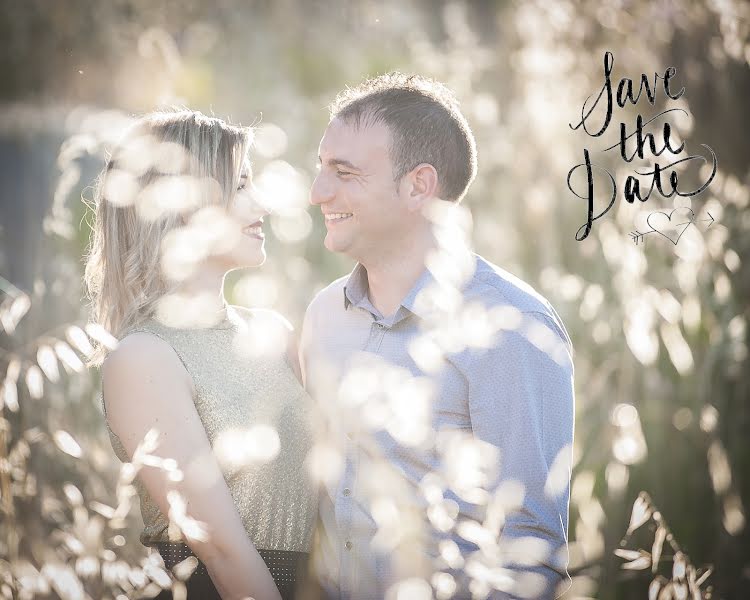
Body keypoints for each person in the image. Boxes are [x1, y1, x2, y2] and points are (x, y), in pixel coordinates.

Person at [299, 73, 575, 599]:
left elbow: (530, 550)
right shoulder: (323, 316)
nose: (318, 193)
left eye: (344, 172)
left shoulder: (512, 328)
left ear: (418, 186)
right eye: (321, 169)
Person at [84, 109, 318, 600]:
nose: (263, 205)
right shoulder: (143, 358)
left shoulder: (274, 333)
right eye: (240, 186)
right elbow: (221, 551)